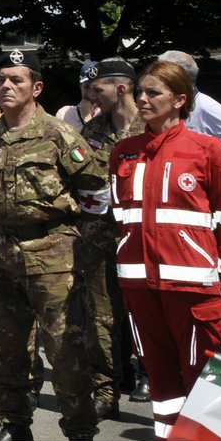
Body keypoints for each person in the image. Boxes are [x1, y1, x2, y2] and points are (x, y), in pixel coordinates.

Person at [112, 59, 221, 441]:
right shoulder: (124, 152)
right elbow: (120, 220)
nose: (143, 99)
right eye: (140, 91)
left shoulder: (208, 151)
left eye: (153, 92)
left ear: (180, 100)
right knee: (162, 382)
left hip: (193, 287)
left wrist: (213, 275)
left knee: (205, 383)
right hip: (139, 288)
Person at [0, 49, 104, 441]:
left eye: (16, 79)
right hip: (1, 256)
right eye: (2, 79)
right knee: (4, 349)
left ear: (37, 88)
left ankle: (80, 440)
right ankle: (15, 427)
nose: (6, 86)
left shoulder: (59, 135)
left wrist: (77, 245)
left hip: (53, 256)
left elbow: (96, 193)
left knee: (66, 350)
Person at [77, 58, 144, 415]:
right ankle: (106, 391)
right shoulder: (92, 131)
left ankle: (152, 376)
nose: (90, 95)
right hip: (101, 240)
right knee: (101, 318)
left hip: (145, 241)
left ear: (120, 88)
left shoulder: (154, 126)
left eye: (97, 88)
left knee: (147, 317)